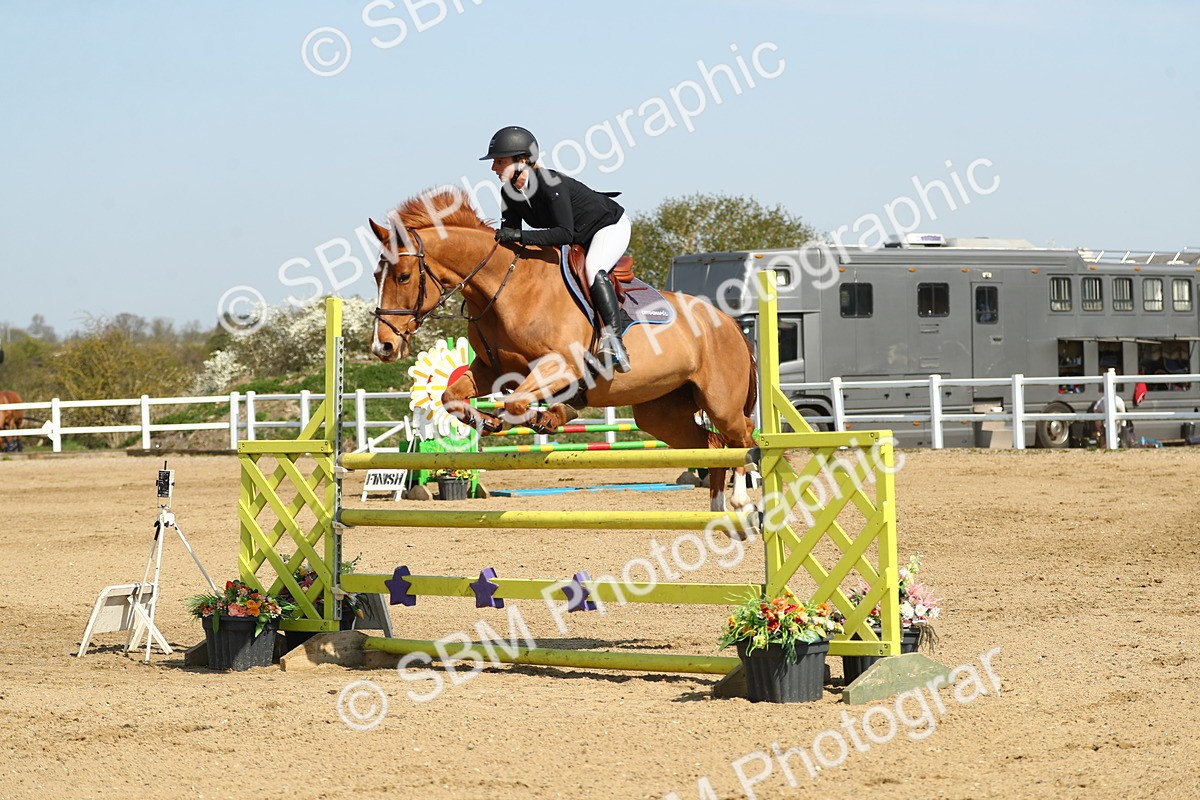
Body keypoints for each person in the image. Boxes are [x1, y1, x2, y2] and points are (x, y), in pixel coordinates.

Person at [481, 125, 632, 373]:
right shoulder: (509, 192)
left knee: (594, 268)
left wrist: (519, 235)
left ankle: (614, 343)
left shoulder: (551, 184)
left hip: (607, 227)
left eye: (500, 161)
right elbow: (511, 238)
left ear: (522, 161)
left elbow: (564, 234)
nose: (493, 168)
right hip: (576, 236)